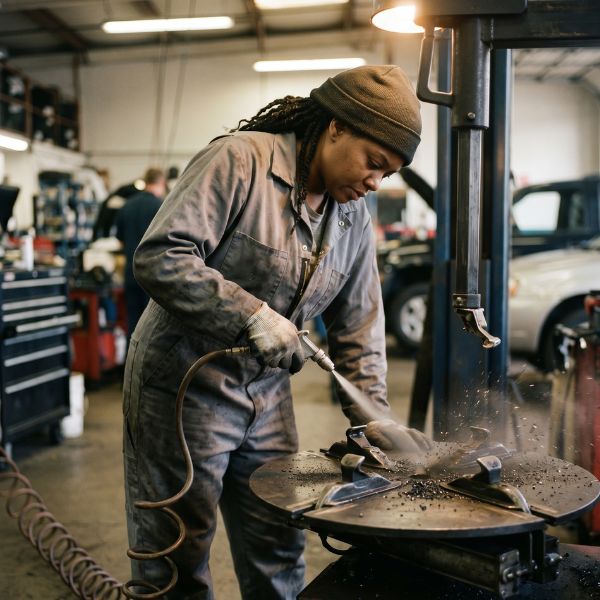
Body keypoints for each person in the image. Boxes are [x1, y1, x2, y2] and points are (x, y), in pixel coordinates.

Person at [123, 65, 431, 599]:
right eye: (373, 163)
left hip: (265, 395)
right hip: (181, 389)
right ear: (335, 127)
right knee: (178, 552)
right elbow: (160, 255)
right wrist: (250, 314)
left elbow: (358, 321)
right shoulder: (240, 160)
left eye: (388, 173)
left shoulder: (354, 214)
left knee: (278, 541)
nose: (375, 181)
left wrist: (373, 417)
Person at [115, 167, 166, 340]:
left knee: (133, 324)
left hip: (131, 273)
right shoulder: (162, 206)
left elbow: (119, 240)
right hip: (153, 277)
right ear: (161, 183)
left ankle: (129, 365)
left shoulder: (127, 205)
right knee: (153, 327)